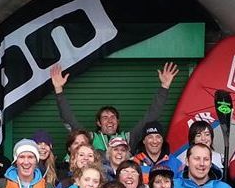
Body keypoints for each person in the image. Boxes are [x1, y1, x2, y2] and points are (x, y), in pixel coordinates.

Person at [50, 62, 180, 152]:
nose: (110, 120)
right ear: (98, 123)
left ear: (118, 121)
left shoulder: (129, 137)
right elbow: (69, 119)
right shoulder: (90, 138)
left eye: (113, 117)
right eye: (105, 118)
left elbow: (152, 116)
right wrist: (58, 89)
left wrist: (164, 87)